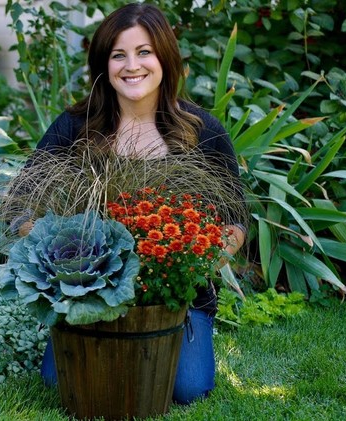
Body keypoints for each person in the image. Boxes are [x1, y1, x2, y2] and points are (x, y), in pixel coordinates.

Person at [19, 3, 246, 404]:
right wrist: (63, 263)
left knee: (189, 389)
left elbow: (235, 220)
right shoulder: (76, 127)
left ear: (165, 58)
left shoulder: (203, 131)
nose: (131, 65)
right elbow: (23, 201)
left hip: (174, 296)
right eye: (118, 54)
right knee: (58, 382)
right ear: (104, 64)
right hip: (89, 293)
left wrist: (190, 268)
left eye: (144, 52)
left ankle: (194, 329)